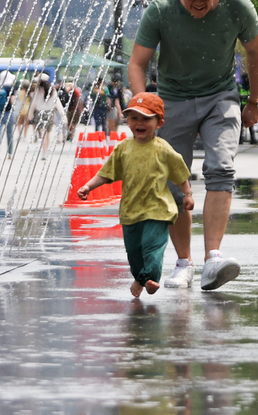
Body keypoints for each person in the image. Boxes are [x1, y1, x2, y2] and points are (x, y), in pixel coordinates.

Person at [129, 0, 258, 292]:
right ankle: (184, 263)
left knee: (221, 168)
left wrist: (254, 101)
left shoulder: (237, 6)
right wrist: (144, 104)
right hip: (173, 100)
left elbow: (255, 52)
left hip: (220, 97)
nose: (199, 2)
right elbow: (137, 63)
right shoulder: (160, 11)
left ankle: (213, 258)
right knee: (175, 182)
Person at [77, 93, 193, 297]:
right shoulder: (124, 148)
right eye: (134, 118)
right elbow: (106, 173)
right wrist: (88, 186)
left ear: (159, 123)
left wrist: (188, 194)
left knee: (152, 247)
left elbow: (180, 173)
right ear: (127, 120)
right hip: (131, 210)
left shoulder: (163, 149)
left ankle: (150, 279)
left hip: (158, 209)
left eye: (146, 118)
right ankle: (140, 277)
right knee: (133, 253)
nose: (139, 123)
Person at [0, 71, 16, 161]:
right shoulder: (10, 88)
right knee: (9, 133)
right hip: (8, 112)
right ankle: (10, 154)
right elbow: (13, 101)